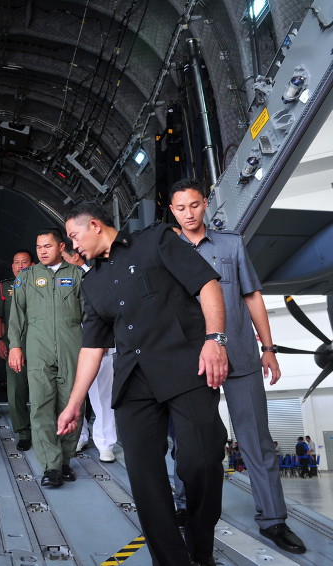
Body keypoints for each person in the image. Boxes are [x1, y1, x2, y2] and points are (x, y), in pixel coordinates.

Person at [58, 201, 228, 566]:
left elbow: (207, 284)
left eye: (74, 236)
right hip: (134, 385)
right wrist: (74, 403)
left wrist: (215, 339)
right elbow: (92, 348)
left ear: (96, 226)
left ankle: (201, 549)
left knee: (201, 460)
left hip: (186, 367)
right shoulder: (92, 283)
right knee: (145, 482)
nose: (73, 247)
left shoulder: (156, 241)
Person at [170, 179, 306, 553]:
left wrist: (269, 347)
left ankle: (274, 520)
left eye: (195, 205)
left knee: (256, 441)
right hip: (193, 362)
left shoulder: (231, 244)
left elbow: (252, 296)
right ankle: (183, 507)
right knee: (189, 443)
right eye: (181, 208)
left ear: (205, 204)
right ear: (172, 211)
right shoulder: (166, 250)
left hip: (242, 357)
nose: (189, 213)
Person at [7, 229, 85, 487]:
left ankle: (65, 461)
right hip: (38, 349)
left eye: (48, 246)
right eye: (39, 246)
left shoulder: (77, 275)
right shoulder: (27, 278)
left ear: (61, 246)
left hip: (72, 348)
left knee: (71, 405)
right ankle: (50, 466)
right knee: (40, 405)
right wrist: (15, 346)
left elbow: (91, 315)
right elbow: (17, 315)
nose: (42, 251)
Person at [61, 243, 118, 463]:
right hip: (69, 344)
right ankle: (79, 436)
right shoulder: (54, 279)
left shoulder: (96, 275)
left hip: (98, 342)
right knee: (72, 395)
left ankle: (106, 443)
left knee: (103, 396)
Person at [0, 250, 35, 451]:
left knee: (40, 390)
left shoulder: (41, 283)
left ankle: (43, 429)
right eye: (16, 262)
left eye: (24, 262)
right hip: (13, 345)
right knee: (16, 390)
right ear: (12, 266)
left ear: (32, 264)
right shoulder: (5, 287)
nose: (20, 266)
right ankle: (24, 432)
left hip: (38, 345)